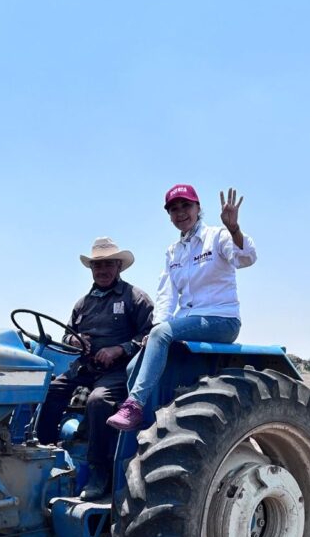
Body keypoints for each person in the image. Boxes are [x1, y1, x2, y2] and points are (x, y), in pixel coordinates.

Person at [107, 184, 257, 431]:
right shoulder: (173, 252)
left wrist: (234, 229)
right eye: (174, 209)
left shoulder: (218, 236)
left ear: (198, 208)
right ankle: (145, 424)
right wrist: (156, 329)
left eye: (186, 205)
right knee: (134, 365)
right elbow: (166, 294)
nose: (180, 213)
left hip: (221, 319)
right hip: (187, 322)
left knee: (160, 334)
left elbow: (246, 258)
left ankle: (134, 406)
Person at [36, 237, 153, 499]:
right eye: (97, 265)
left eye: (108, 264)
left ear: (119, 266)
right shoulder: (83, 304)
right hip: (85, 367)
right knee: (51, 389)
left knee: (98, 401)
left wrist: (119, 349)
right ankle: (45, 451)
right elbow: (67, 336)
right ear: (91, 269)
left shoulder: (135, 298)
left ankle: (99, 471)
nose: (102, 270)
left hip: (119, 371)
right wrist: (75, 341)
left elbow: (149, 336)